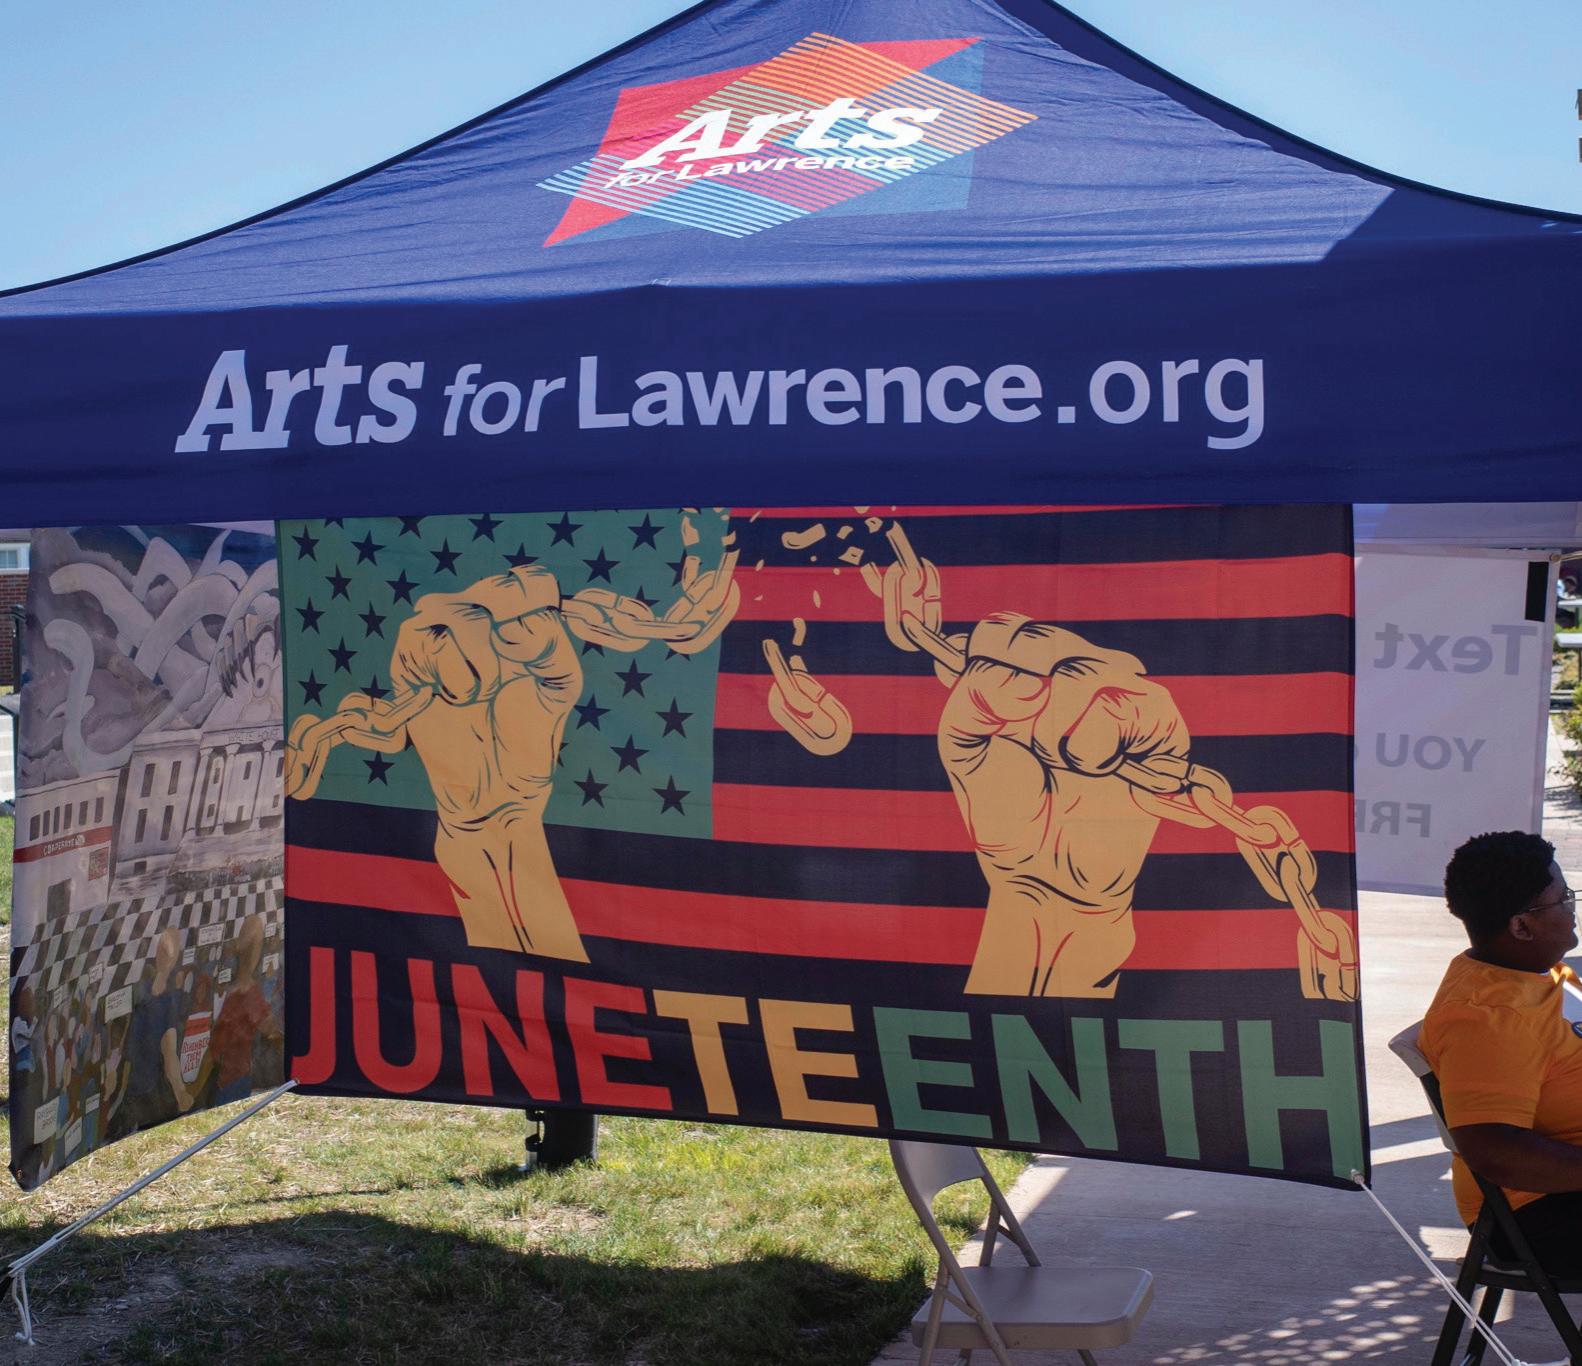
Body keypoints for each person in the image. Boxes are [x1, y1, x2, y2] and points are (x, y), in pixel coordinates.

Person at [1420, 830, 1582, 1272]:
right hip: (1538, 1215)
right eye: (1563, 898)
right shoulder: (1487, 1018)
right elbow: (1493, 1149)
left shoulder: (1533, 971)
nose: (1572, 907)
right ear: (1521, 926)